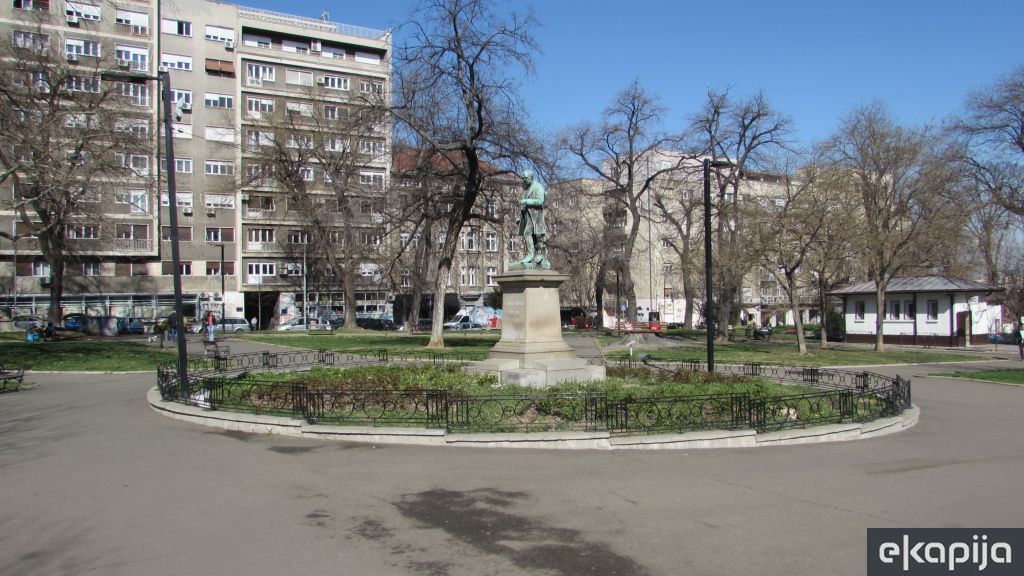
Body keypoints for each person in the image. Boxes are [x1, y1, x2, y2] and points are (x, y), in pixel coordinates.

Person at [515, 169, 549, 269]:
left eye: (525, 178)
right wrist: (519, 217)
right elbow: (523, 205)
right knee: (532, 237)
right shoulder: (526, 189)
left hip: (535, 217)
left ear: (531, 177)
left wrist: (527, 200)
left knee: (527, 233)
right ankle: (533, 255)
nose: (524, 180)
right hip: (526, 216)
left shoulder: (538, 187)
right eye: (523, 178)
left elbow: (540, 201)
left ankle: (530, 255)